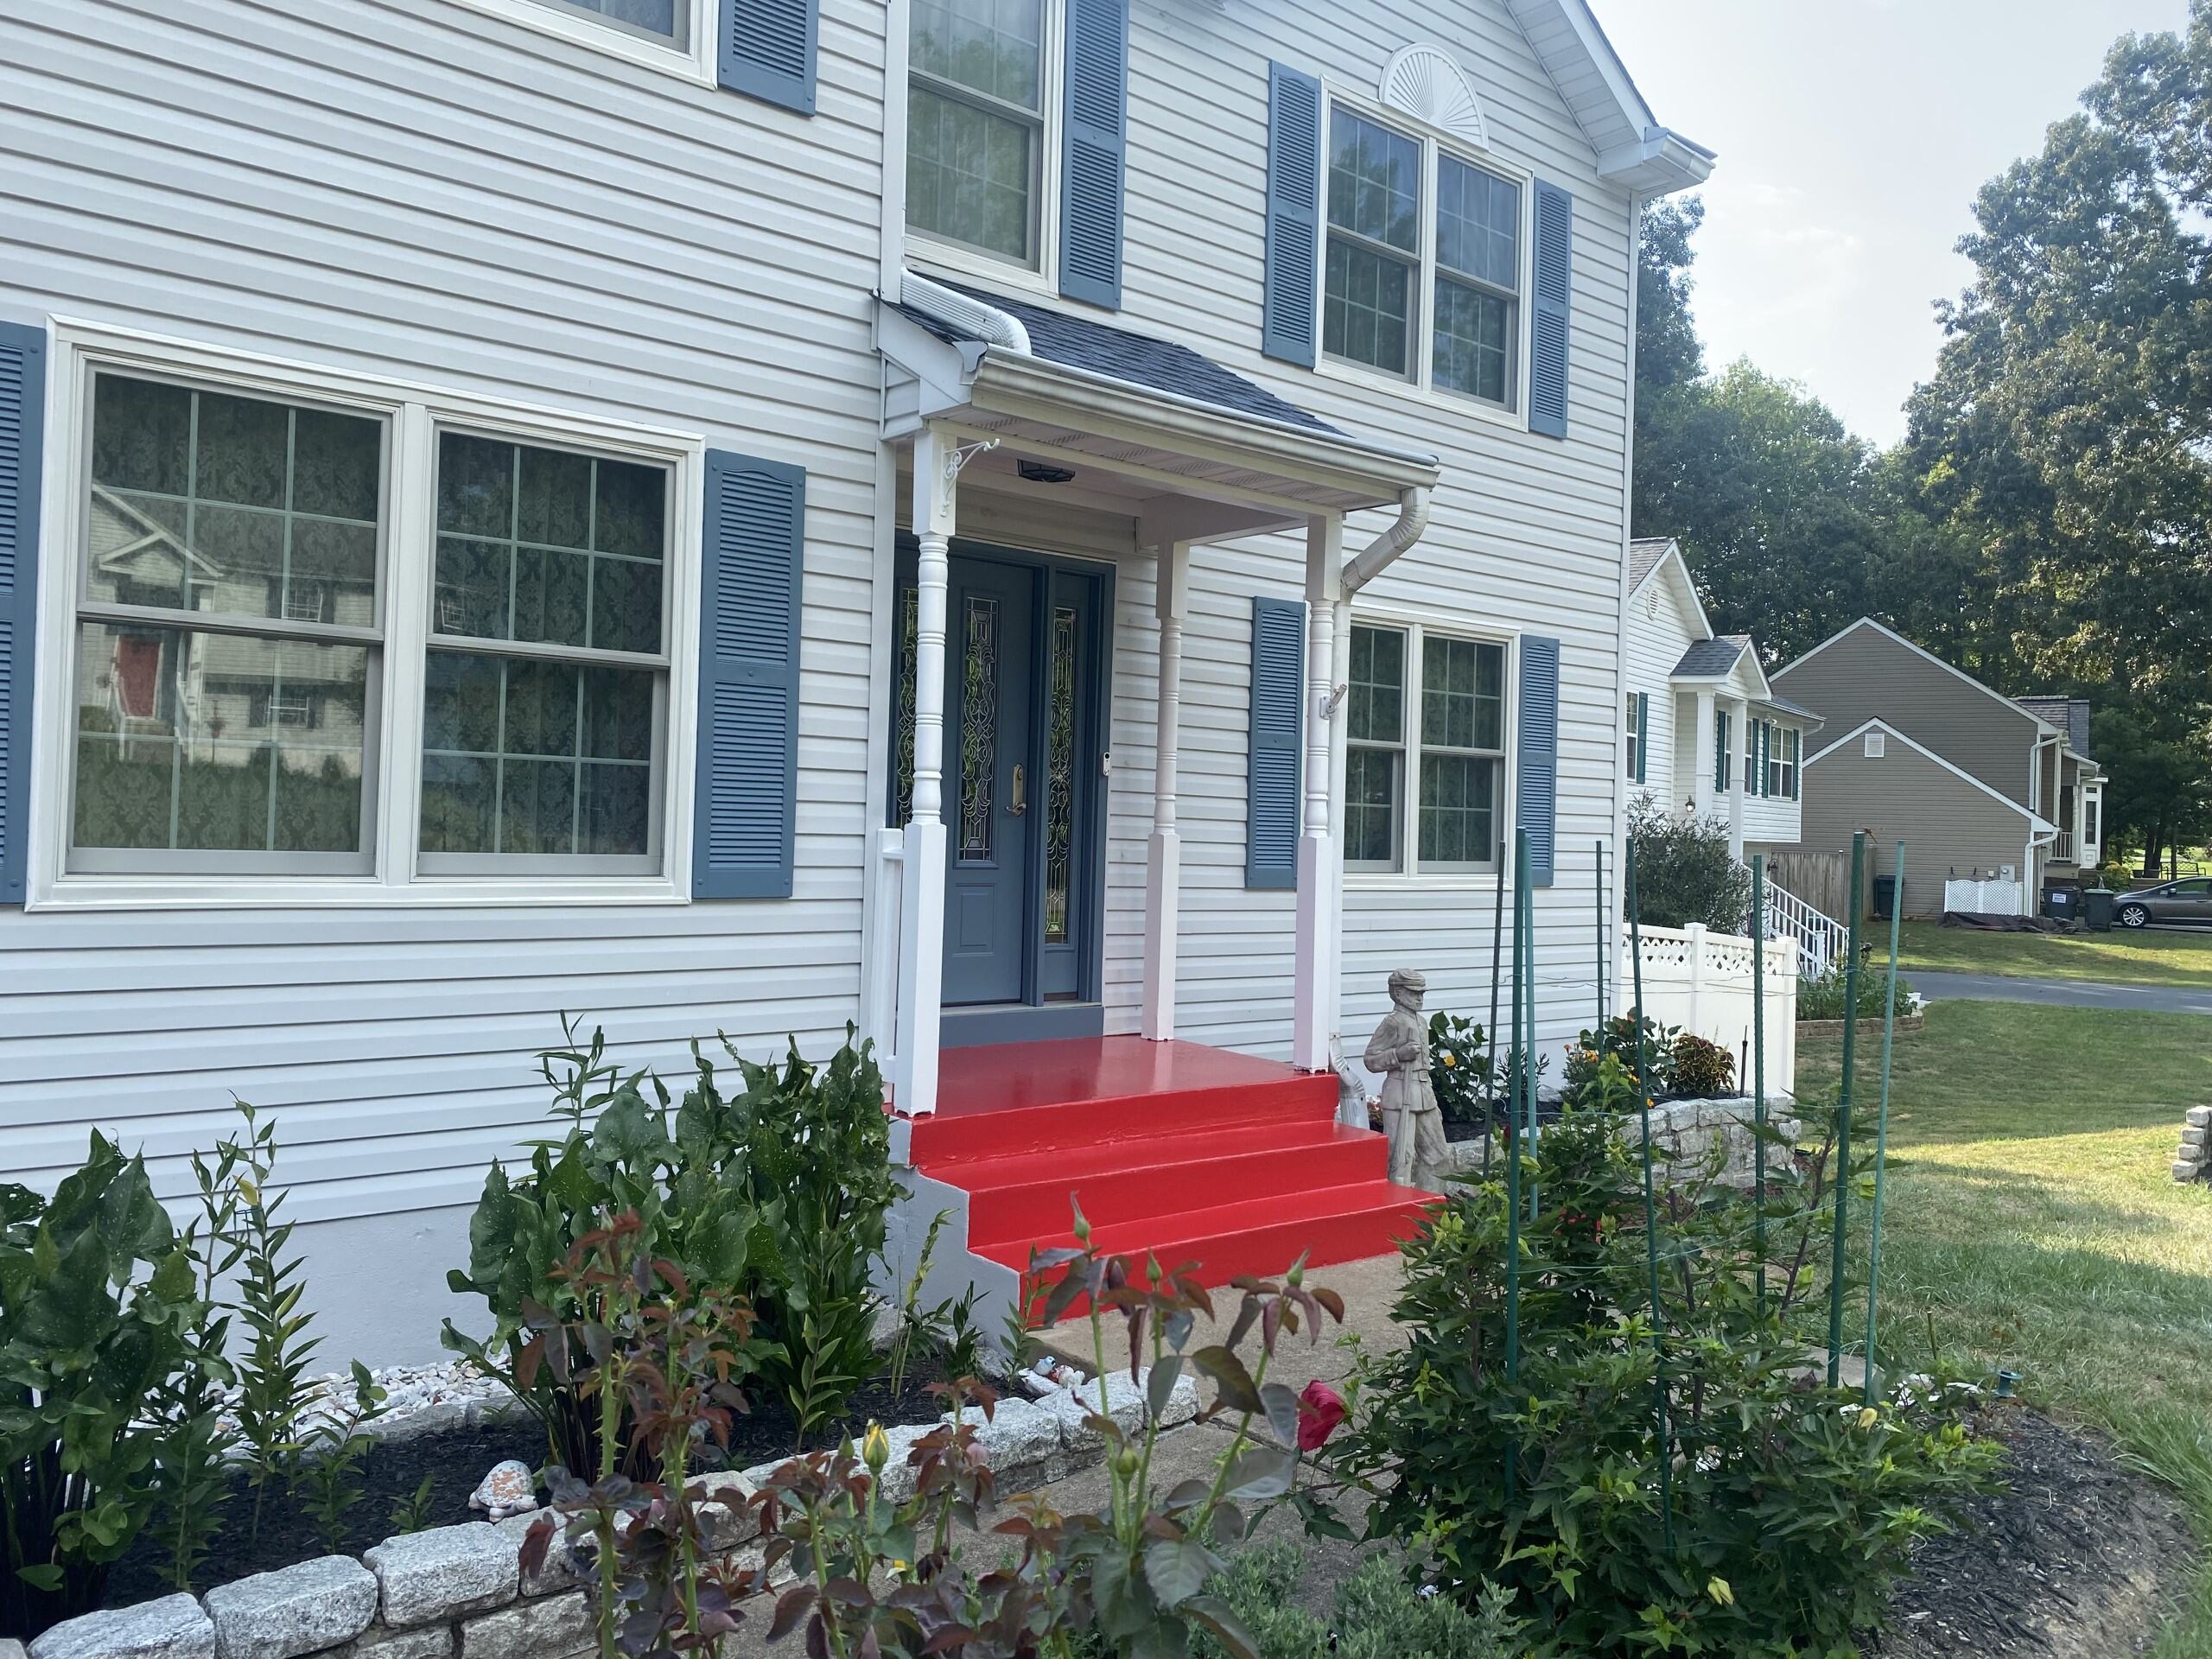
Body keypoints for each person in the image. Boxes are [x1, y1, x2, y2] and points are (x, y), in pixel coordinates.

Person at [1363, 969, 1448, 1188]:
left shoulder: (1421, 1022)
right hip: (1401, 1093)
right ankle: (1399, 1211)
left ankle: (1430, 1209)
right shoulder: (1393, 1022)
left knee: (1437, 1155)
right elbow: (1371, 1060)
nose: (1420, 998)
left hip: (1423, 1093)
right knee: (1401, 1158)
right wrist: (1398, 1055)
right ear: (1399, 993)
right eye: (1414, 993)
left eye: (1422, 993)